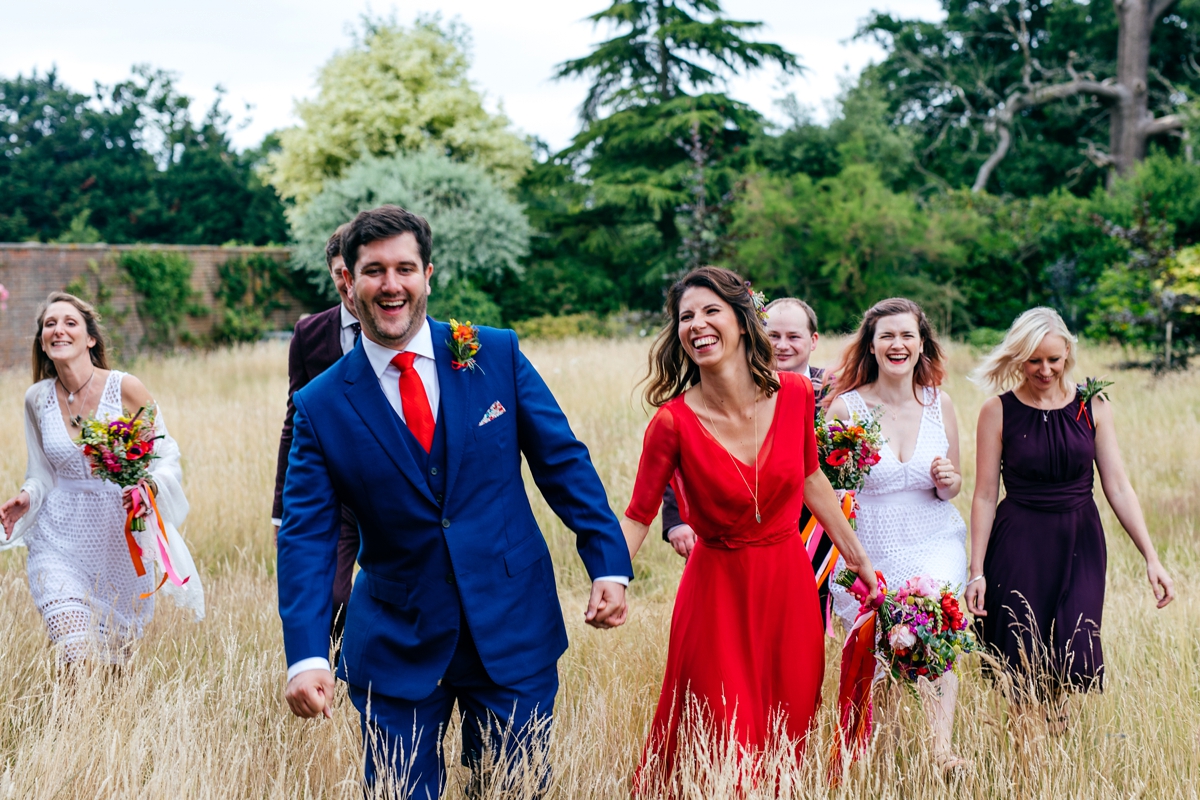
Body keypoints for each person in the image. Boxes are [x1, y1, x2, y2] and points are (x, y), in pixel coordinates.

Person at [277, 205, 633, 798]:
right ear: (349, 280)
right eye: (374, 271)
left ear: (428, 274)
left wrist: (608, 561)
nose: (391, 285)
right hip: (397, 637)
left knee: (515, 789)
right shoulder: (321, 405)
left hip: (512, 624)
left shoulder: (493, 353)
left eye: (404, 268)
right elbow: (307, 536)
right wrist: (305, 654)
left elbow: (561, 460)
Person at [620, 268, 878, 786]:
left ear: (741, 321)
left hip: (789, 588)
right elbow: (638, 514)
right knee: (723, 735)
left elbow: (811, 478)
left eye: (710, 311)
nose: (697, 324)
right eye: (685, 317)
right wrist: (611, 579)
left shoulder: (797, 394)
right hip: (716, 594)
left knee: (788, 731)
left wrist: (858, 558)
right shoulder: (671, 422)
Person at [966, 307, 1174, 731]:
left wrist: (1152, 558)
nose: (1044, 370)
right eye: (1033, 360)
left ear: (1068, 355)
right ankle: (1030, 763)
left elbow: (1117, 486)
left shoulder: (1092, 405)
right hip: (1019, 542)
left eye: (1054, 360)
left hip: (1080, 541)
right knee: (1023, 655)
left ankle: (1057, 737)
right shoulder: (997, 411)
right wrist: (976, 571)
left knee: (1071, 651)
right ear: (1018, 358)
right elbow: (985, 495)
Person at [0, 292, 203, 665]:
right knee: (75, 653)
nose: (58, 329)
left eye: (69, 322)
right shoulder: (37, 399)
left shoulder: (125, 388)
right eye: (49, 324)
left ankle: (100, 724)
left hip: (118, 540)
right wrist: (28, 496)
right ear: (42, 342)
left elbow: (165, 454)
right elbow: (42, 472)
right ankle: (66, 722)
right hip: (58, 540)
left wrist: (150, 487)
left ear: (90, 338)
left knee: (112, 668)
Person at [825, 297, 968, 772]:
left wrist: (948, 480)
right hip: (872, 542)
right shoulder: (846, 408)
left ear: (921, 342)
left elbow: (955, 485)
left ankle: (940, 750)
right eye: (886, 335)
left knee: (936, 624)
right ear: (871, 344)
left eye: (907, 334)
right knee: (883, 651)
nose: (897, 343)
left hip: (933, 536)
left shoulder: (938, 403)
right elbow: (826, 488)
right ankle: (877, 752)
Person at [660, 296, 841, 624]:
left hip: (814, 521)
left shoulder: (835, 389)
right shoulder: (731, 382)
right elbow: (688, 456)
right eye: (774, 336)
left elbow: (820, 472)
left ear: (813, 341)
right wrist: (675, 519)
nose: (783, 346)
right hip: (735, 525)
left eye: (794, 336)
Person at [272, 223, 359, 647]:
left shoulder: (406, 325)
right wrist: (280, 508)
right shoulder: (309, 334)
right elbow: (294, 420)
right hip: (337, 490)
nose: (348, 284)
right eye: (339, 273)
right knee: (333, 592)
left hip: (398, 485)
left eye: (354, 271)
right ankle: (338, 664)